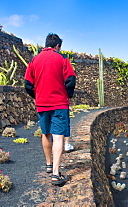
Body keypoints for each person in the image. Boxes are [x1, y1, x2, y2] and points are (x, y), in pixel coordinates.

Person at [24, 33, 76, 186]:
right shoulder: (62, 59)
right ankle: (55, 174)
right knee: (58, 136)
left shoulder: (34, 60)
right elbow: (71, 80)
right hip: (59, 103)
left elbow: (27, 84)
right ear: (57, 46)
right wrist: (67, 95)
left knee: (45, 133)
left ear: (46, 44)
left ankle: (48, 164)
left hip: (42, 103)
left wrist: (38, 95)